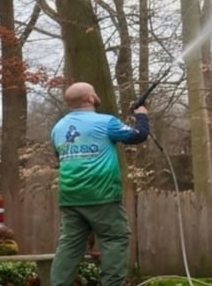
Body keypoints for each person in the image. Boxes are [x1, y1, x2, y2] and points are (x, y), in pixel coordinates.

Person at [50, 82, 149, 286]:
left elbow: (59, 156)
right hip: (102, 194)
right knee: (116, 238)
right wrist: (141, 115)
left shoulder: (58, 128)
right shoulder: (106, 122)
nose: (96, 94)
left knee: (69, 245)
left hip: (70, 197)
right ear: (90, 98)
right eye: (94, 91)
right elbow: (139, 135)